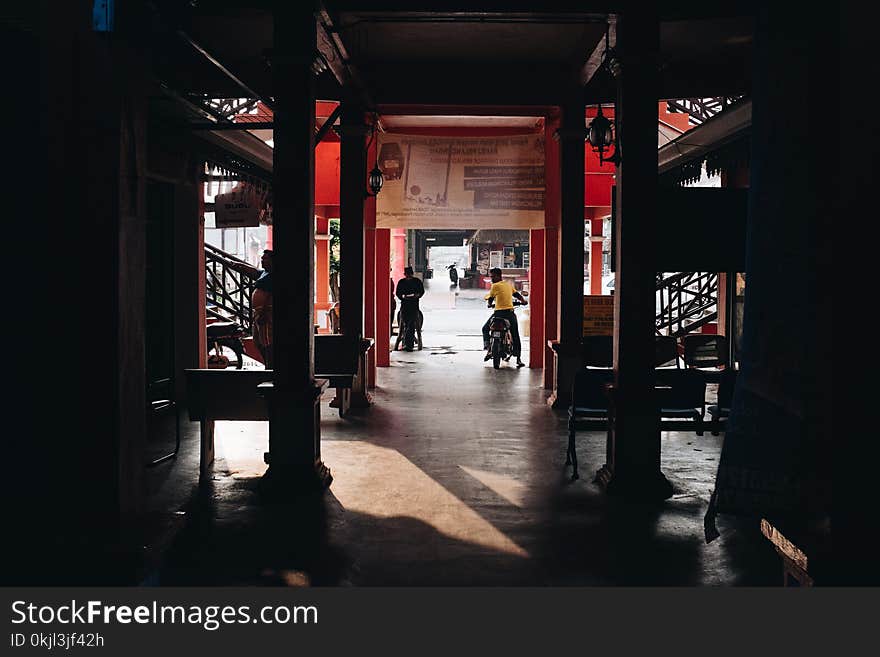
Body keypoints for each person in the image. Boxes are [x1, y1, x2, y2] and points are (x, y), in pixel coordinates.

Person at [482, 267, 527, 367]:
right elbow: (516, 294)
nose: (492, 279)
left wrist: (489, 304)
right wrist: (523, 301)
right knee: (515, 334)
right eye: (491, 277)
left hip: (498, 314)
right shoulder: (508, 285)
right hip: (509, 314)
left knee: (485, 329)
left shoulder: (495, 286)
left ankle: (488, 347)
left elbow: (491, 298)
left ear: (499, 276)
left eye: (493, 277)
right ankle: (518, 359)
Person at [251, 249, 273, 367]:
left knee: (267, 341)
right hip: (258, 312)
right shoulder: (264, 273)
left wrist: (264, 312)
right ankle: (267, 363)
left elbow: (270, 294)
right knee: (257, 341)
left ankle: (270, 366)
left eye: (266, 259)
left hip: (265, 313)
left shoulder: (274, 274)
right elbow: (254, 271)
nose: (263, 261)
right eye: (262, 259)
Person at [395, 266, 424, 351]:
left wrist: (416, 296)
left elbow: (421, 292)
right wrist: (403, 297)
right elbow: (398, 293)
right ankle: (409, 343)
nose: (408, 277)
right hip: (405, 306)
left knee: (410, 325)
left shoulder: (415, 282)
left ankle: (408, 344)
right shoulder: (403, 282)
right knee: (407, 325)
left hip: (413, 306)